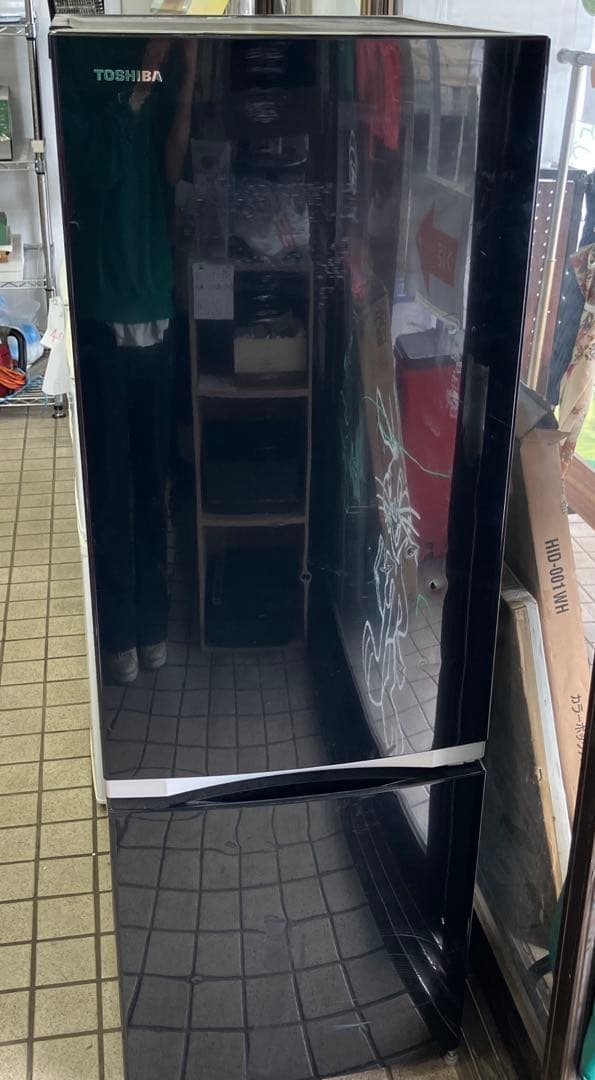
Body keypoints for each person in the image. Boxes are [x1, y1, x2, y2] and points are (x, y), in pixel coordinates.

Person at [62, 38, 197, 684]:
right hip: (105, 321)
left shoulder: (159, 71)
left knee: (153, 486)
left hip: (157, 315)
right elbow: (95, 169)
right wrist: (145, 75)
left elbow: (171, 168)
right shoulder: (77, 64)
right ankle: (120, 632)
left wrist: (188, 75)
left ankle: (153, 623)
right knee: (113, 488)